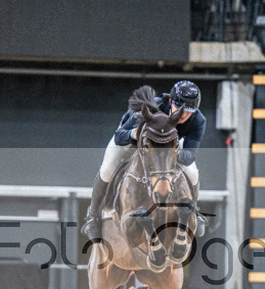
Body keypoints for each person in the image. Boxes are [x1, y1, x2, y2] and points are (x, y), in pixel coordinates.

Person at [82, 80, 207, 240]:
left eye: (190, 112)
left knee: (193, 173)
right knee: (107, 170)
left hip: (168, 149)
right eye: (181, 109)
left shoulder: (198, 121)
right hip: (132, 141)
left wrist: (170, 153)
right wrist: (134, 134)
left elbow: (190, 155)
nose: (184, 115)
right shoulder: (150, 109)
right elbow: (120, 137)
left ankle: (194, 211)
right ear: (170, 102)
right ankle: (92, 216)